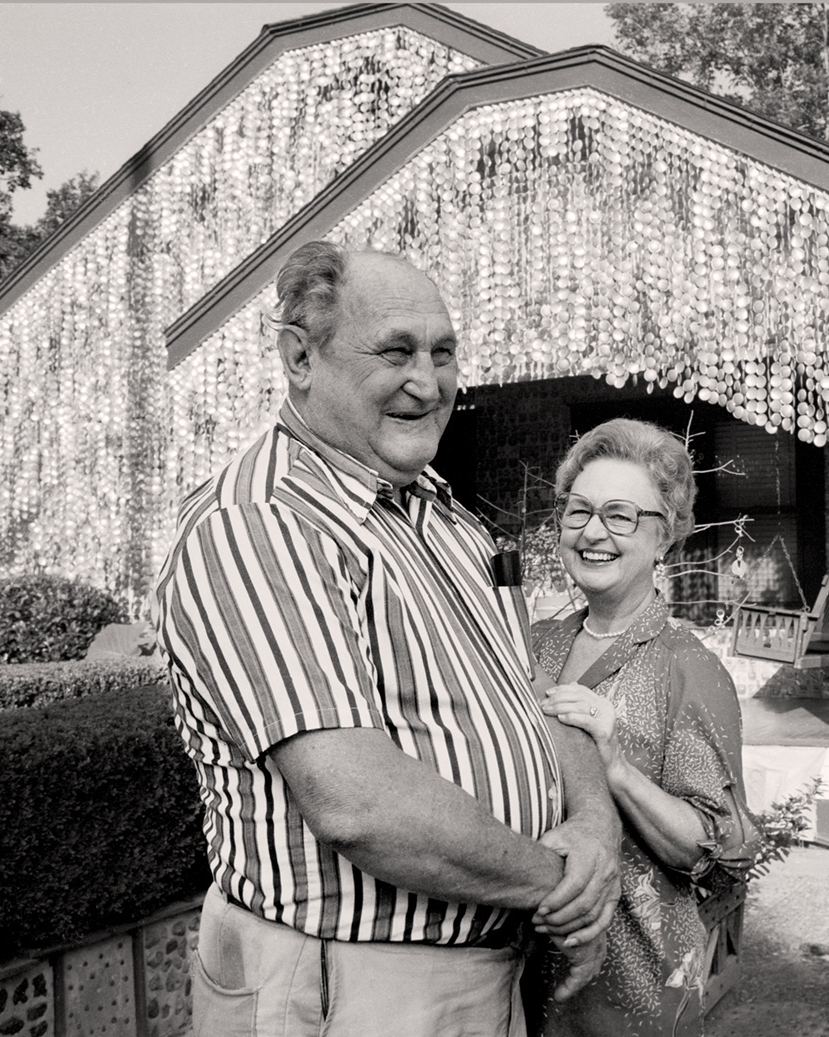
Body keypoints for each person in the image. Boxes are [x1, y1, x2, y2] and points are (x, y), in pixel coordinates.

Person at [150, 241, 621, 1036]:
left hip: (473, 972)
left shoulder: (441, 517)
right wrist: (560, 885)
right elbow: (356, 802)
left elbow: (532, 699)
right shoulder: (264, 523)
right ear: (300, 356)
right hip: (346, 989)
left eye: (443, 353)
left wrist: (594, 828)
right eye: (395, 352)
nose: (428, 383)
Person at [528, 419, 760, 1037]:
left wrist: (617, 770)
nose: (593, 532)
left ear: (664, 538)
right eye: (578, 511)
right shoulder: (530, 647)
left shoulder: (688, 668)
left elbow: (719, 851)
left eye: (621, 515)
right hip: (518, 970)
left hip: (631, 989)